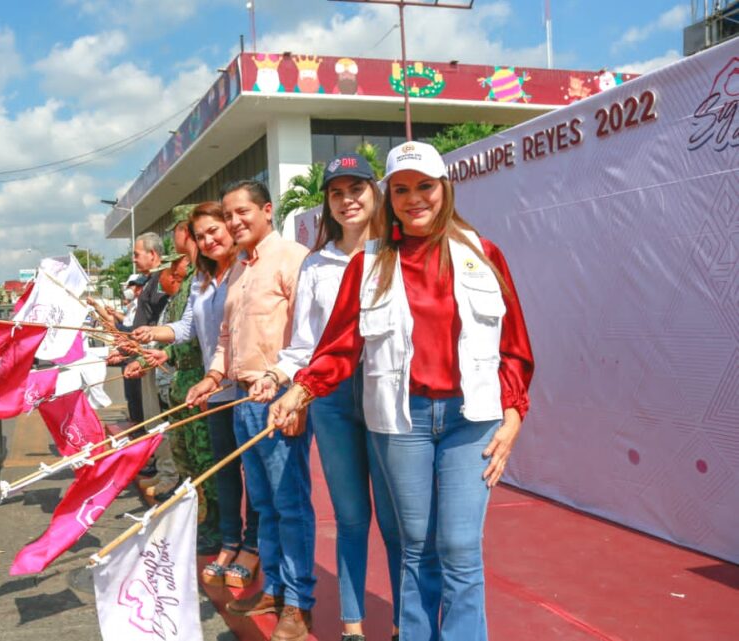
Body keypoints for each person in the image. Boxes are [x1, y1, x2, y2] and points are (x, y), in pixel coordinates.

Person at [271, 142, 535, 641]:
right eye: (402, 189)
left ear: (444, 189)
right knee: (416, 546)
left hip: (469, 420)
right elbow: (338, 346)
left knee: (459, 546)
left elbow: (515, 347)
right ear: (388, 196)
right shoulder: (368, 263)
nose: (415, 198)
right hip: (400, 423)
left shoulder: (483, 253)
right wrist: (301, 390)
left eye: (424, 186)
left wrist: (513, 414)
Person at [252, 154, 401, 641]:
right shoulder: (316, 262)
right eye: (336, 193)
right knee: (352, 517)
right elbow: (304, 344)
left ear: (374, 193)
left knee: (399, 520)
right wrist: (279, 378)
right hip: (334, 400)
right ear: (327, 203)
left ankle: (405, 623)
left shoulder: (398, 253)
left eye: (356, 189)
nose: (347, 200)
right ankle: (353, 625)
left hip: (390, 396)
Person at [185, 179, 314, 641]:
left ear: (267, 210)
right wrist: (213, 377)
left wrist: (296, 392)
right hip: (241, 401)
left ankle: (299, 605)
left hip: (279, 400)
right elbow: (225, 339)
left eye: (242, 213)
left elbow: (308, 336)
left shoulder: (294, 260)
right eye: (229, 213)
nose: (235, 221)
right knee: (263, 504)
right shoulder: (239, 267)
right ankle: (276, 589)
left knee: (291, 504)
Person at [132, 203, 260, 589]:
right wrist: (154, 336)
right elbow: (189, 326)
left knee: (256, 476)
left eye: (213, 231)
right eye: (200, 235)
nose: (207, 240)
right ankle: (229, 540)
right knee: (220, 471)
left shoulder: (248, 267)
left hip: (252, 388)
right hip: (215, 388)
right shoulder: (203, 279)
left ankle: (252, 545)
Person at [129, 212, 222, 552]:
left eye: (182, 232)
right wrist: (154, 342)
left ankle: (217, 523)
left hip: (204, 378)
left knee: (208, 460)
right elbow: (183, 328)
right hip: (186, 378)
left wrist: (160, 346)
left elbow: (200, 335)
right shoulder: (196, 281)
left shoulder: (215, 276)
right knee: (189, 457)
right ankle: (202, 517)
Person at [115, 232, 168, 424]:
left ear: (152, 254)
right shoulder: (149, 281)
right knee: (148, 413)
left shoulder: (162, 280)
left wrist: (141, 347)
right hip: (143, 353)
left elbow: (159, 321)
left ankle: (161, 453)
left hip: (153, 355)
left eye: (137, 254)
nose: (134, 259)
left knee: (157, 415)